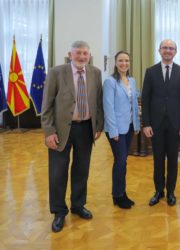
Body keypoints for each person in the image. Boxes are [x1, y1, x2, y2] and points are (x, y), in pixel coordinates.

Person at [41, 41, 103, 232]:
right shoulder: (56, 72)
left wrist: (98, 125)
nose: (82, 57)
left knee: (81, 169)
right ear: (70, 54)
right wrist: (49, 132)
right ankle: (59, 211)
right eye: (78, 53)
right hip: (61, 131)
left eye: (85, 53)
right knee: (58, 172)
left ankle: (78, 205)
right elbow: (47, 105)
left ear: (89, 55)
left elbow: (98, 101)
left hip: (86, 129)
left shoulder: (95, 72)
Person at [141, 39, 180, 206]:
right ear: (159, 50)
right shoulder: (150, 72)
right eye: (165, 48)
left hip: (176, 125)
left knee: (173, 160)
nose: (168, 50)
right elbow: (145, 100)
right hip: (155, 125)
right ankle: (158, 191)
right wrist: (146, 123)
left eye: (171, 48)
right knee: (158, 160)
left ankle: (171, 192)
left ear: (175, 52)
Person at [103, 51, 140, 209]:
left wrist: (137, 125)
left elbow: (134, 105)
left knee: (123, 161)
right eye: (121, 60)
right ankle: (117, 195)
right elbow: (108, 107)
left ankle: (121, 193)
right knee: (120, 161)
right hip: (116, 128)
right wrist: (113, 131)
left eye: (126, 60)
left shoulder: (131, 80)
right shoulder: (110, 82)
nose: (124, 63)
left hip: (130, 126)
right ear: (116, 63)